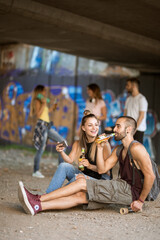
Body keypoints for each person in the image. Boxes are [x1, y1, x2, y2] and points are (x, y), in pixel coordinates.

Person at [18, 116, 155, 215]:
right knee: (80, 197)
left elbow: (150, 176)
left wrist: (141, 201)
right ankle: (38, 206)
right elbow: (103, 169)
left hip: (130, 192)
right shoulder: (118, 149)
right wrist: (100, 148)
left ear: (128, 129)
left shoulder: (136, 148)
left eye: (118, 126)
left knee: (81, 182)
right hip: (120, 186)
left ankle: (38, 198)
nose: (114, 129)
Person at [46, 112, 112, 193]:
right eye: (90, 125)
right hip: (84, 176)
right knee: (63, 166)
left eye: (96, 125)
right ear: (83, 128)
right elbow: (70, 160)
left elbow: (106, 171)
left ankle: (50, 197)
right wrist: (61, 152)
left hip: (101, 180)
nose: (94, 128)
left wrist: (89, 166)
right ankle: (48, 195)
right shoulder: (78, 143)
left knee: (76, 179)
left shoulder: (104, 144)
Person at [30, 85, 66, 178]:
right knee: (41, 149)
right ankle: (36, 171)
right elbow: (38, 114)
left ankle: (60, 168)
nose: (45, 93)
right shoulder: (37, 101)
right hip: (41, 126)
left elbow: (46, 112)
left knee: (62, 142)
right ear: (40, 92)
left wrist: (53, 107)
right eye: (43, 91)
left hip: (47, 126)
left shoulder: (42, 101)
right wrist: (43, 104)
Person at [124, 78, 148, 144]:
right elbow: (125, 115)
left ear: (133, 86)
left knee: (136, 152)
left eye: (128, 85)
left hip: (138, 130)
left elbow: (142, 116)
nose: (126, 87)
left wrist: (134, 129)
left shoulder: (142, 99)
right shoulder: (128, 99)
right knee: (127, 151)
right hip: (129, 129)